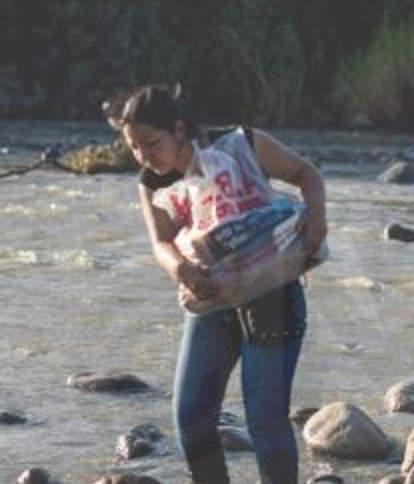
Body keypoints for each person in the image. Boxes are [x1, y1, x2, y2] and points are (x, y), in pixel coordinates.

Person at [104, 85, 326, 483]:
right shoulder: (152, 180)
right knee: (190, 417)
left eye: (151, 144)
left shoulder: (242, 144)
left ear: (178, 129)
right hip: (210, 297)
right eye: (133, 147)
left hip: (271, 293)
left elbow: (305, 174)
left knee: (265, 420)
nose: (143, 156)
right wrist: (182, 271)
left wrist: (317, 218)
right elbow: (161, 242)